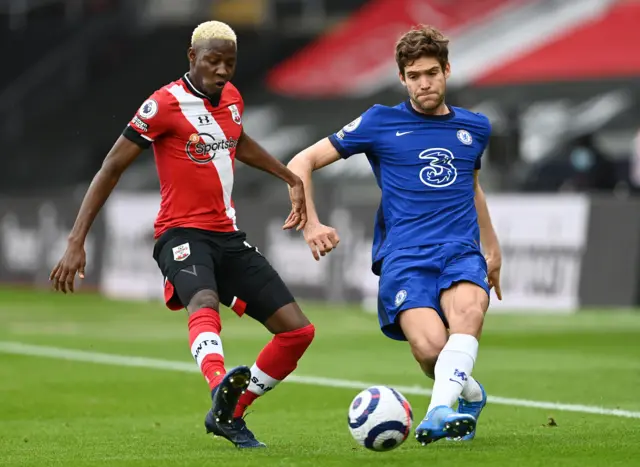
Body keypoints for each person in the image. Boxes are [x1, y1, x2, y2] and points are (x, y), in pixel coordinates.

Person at [49, 21, 316, 449]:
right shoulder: (163, 105)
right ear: (192, 57)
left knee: (297, 332)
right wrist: (76, 240)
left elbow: (238, 140)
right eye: (213, 60)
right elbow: (110, 168)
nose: (223, 70)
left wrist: (287, 174)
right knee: (203, 299)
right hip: (180, 234)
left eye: (230, 62)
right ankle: (217, 387)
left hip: (228, 235)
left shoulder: (232, 99)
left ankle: (229, 412)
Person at [287, 24, 502, 445]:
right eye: (415, 75)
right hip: (405, 256)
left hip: (460, 250)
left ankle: (439, 410)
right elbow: (302, 160)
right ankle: (470, 395)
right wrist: (311, 222)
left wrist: (492, 250)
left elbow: (472, 188)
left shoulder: (475, 128)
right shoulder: (379, 122)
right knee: (430, 350)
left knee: (469, 314)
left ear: (446, 71)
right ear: (402, 78)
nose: (424, 83)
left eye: (432, 73)